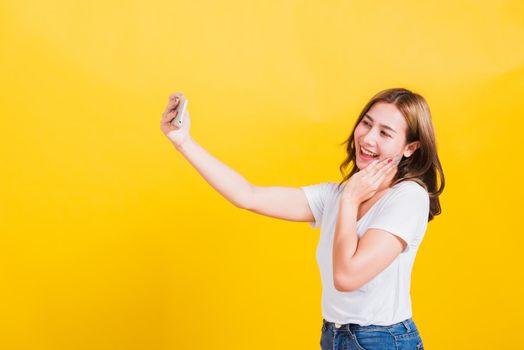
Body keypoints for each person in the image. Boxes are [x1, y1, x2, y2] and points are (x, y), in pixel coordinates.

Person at [160, 88, 444, 350]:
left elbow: (347, 276)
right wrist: (183, 142)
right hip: (334, 335)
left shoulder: (408, 197)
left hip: (382, 339)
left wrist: (349, 201)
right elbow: (248, 195)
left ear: (410, 148)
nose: (368, 138)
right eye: (367, 123)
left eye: (385, 133)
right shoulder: (338, 195)